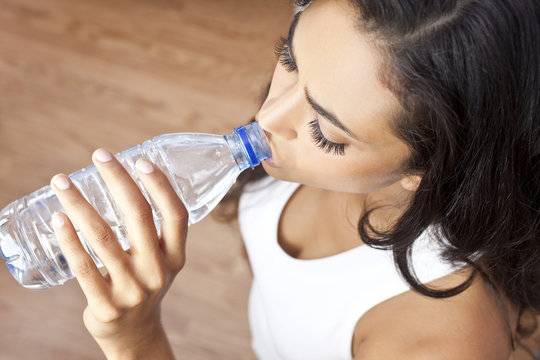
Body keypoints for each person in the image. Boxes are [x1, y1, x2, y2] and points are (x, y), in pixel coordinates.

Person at [48, 0, 539, 358]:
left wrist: (135, 340)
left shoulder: (442, 341)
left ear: (426, 170)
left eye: (326, 134)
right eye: (289, 59)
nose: (268, 116)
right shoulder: (296, 135)